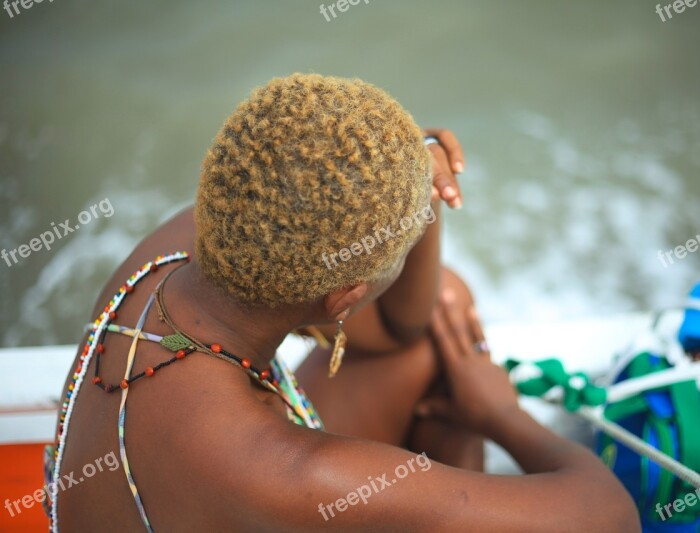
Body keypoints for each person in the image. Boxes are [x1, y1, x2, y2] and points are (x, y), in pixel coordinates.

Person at [48, 73, 639, 532]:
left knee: (435, 332)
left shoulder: (183, 241)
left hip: (190, 472)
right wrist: (500, 416)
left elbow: (403, 329)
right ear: (343, 298)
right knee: (455, 390)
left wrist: (419, 192)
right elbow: (609, 517)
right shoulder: (278, 471)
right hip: (232, 477)